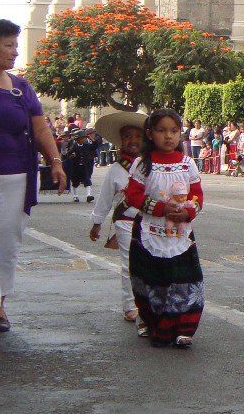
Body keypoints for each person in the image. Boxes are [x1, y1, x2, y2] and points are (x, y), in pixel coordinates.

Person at [0, 19, 67, 350]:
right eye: (8, 45)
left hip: (16, 178)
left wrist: (56, 161)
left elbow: (39, 130)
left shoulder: (22, 88)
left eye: (16, 45)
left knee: (6, 246)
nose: (15, 51)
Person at [124, 109, 205, 348]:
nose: (168, 136)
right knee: (152, 278)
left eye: (173, 131)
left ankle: (183, 328)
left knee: (185, 277)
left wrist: (189, 211)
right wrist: (160, 209)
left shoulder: (188, 163)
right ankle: (156, 324)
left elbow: (197, 194)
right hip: (150, 229)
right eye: (161, 131)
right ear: (150, 134)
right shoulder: (143, 163)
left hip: (180, 231)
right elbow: (133, 195)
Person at [88, 112, 147, 330]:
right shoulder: (116, 169)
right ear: (121, 141)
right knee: (129, 264)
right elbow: (104, 198)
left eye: (138, 136)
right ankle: (129, 305)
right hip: (125, 222)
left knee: (149, 263)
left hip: (148, 223)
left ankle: (148, 303)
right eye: (128, 137)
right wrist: (97, 222)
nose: (133, 141)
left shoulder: (150, 165)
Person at [63, 128, 99, 203]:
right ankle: (75, 196)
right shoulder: (74, 146)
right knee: (75, 181)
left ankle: (88, 195)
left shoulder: (87, 145)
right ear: (78, 139)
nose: (84, 139)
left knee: (87, 180)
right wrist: (71, 156)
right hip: (76, 167)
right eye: (83, 138)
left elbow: (95, 146)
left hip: (85, 166)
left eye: (85, 138)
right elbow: (67, 154)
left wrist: (92, 139)